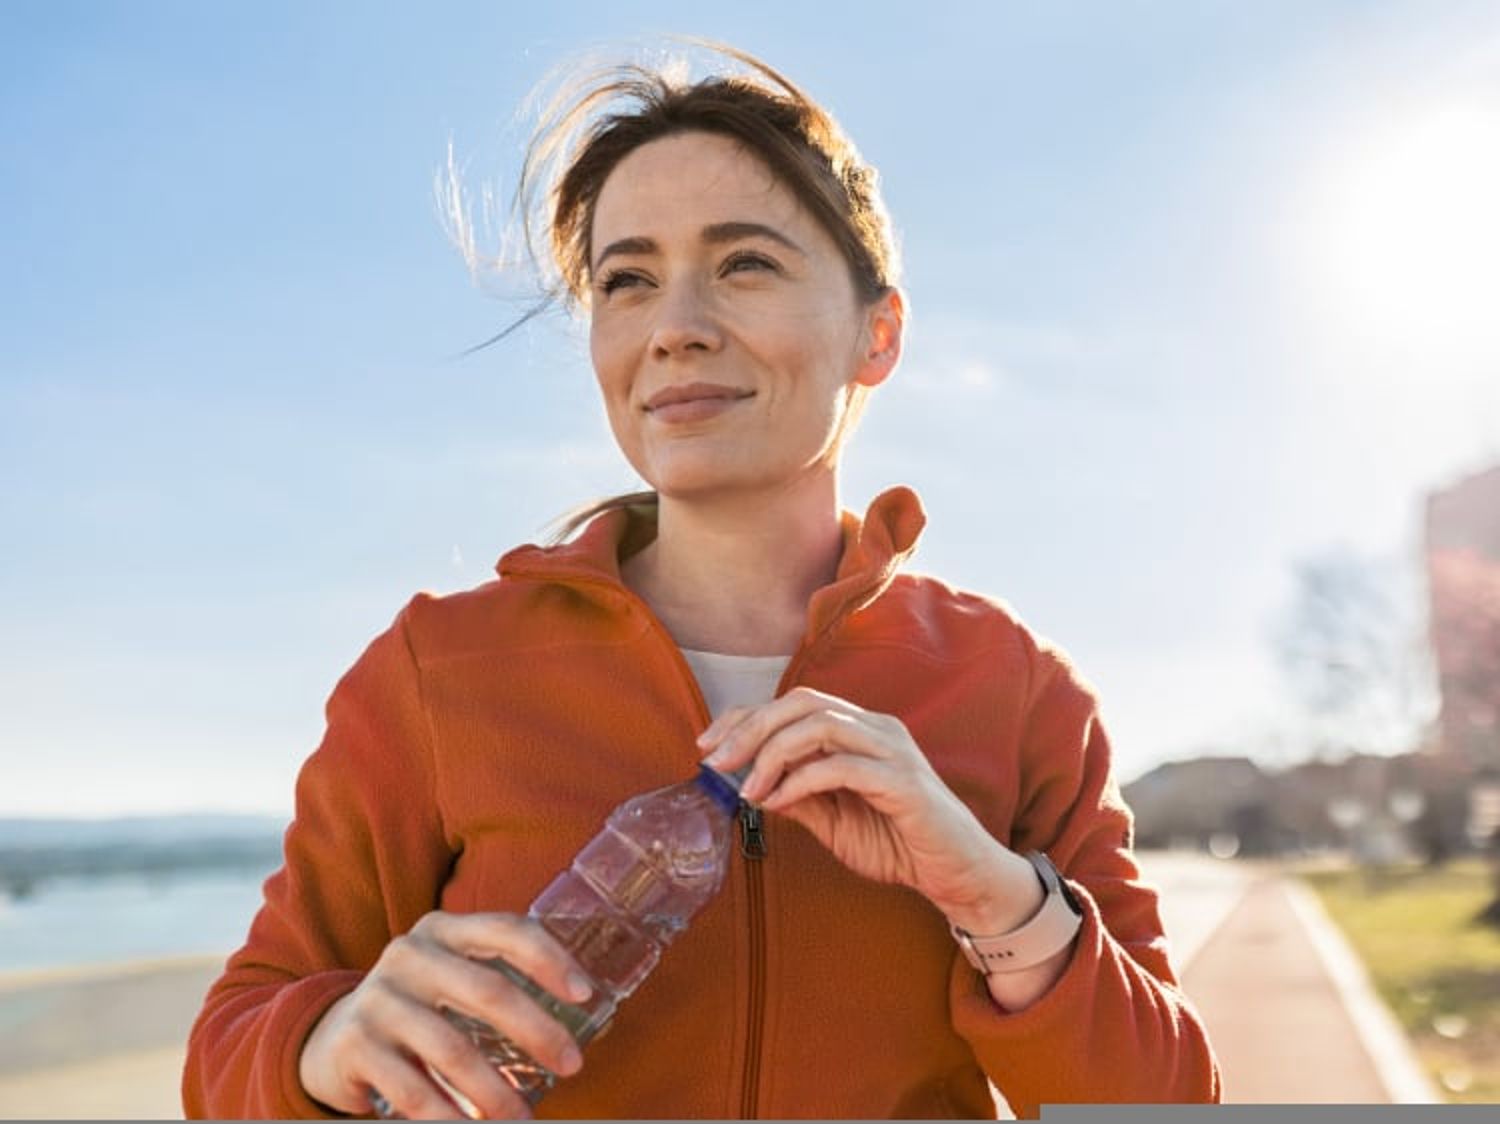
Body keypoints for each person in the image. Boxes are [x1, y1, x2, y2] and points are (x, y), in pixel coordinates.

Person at [182, 42, 1221, 1120]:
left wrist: (995, 895)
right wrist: (318, 1046)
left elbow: (1167, 1099)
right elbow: (230, 1048)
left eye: (744, 264)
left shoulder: (1014, 688)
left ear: (879, 333)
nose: (675, 329)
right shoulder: (439, 668)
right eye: (627, 280)